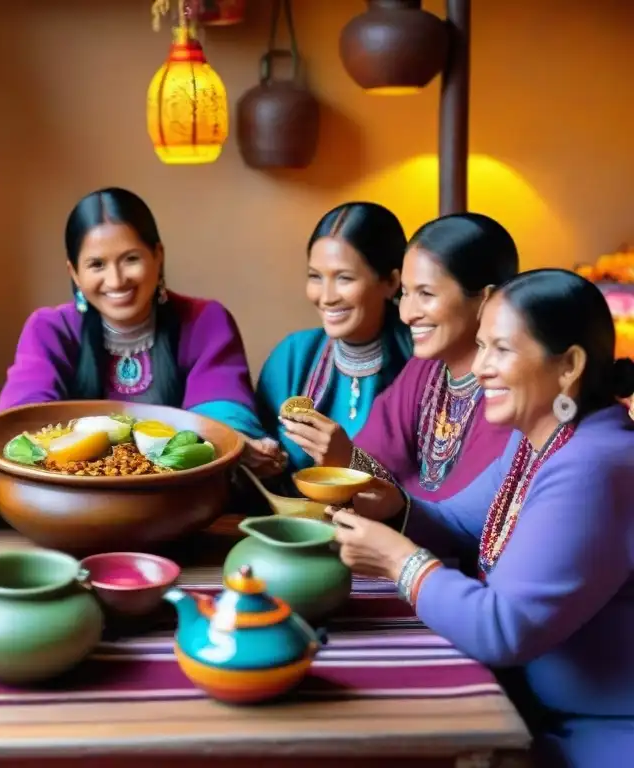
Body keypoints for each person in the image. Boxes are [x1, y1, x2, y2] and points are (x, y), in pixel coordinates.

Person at [331, 269, 634, 767]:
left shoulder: (594, 466)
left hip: (601, 732)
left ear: (569, 366)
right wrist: (396, 507)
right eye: (481, 347)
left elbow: (502, 629)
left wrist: (398, 563)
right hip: (539, 707)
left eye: (501, 350)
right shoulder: (539, 439)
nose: (482, 368)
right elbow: (462, 522)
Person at [0, 187, 283, 476]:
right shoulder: (49, 329)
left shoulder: (206, 321)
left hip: (181, 494)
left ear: (158, 256)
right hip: (74, 497)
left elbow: (223, 417)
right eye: (97, 265)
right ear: (74, 273)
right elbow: (22, 422)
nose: (116, 280)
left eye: (130, 259)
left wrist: (235, 441)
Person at [282, 213, 519, 501]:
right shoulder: (425, 371)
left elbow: (466, 518)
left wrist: (351, 464)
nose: (407, 313)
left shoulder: (510, 390)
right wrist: (344, 456)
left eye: (426, 294)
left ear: (486, 299)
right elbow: (376, 465)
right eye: (405, 293)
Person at [256, 202, 413, 482]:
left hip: (391, 524)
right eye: (315, 277)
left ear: (391, 281)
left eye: (344, 278)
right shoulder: (292, 356)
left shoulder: (423, 364)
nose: (326, 296)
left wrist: (348, 457)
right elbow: (258, 458)